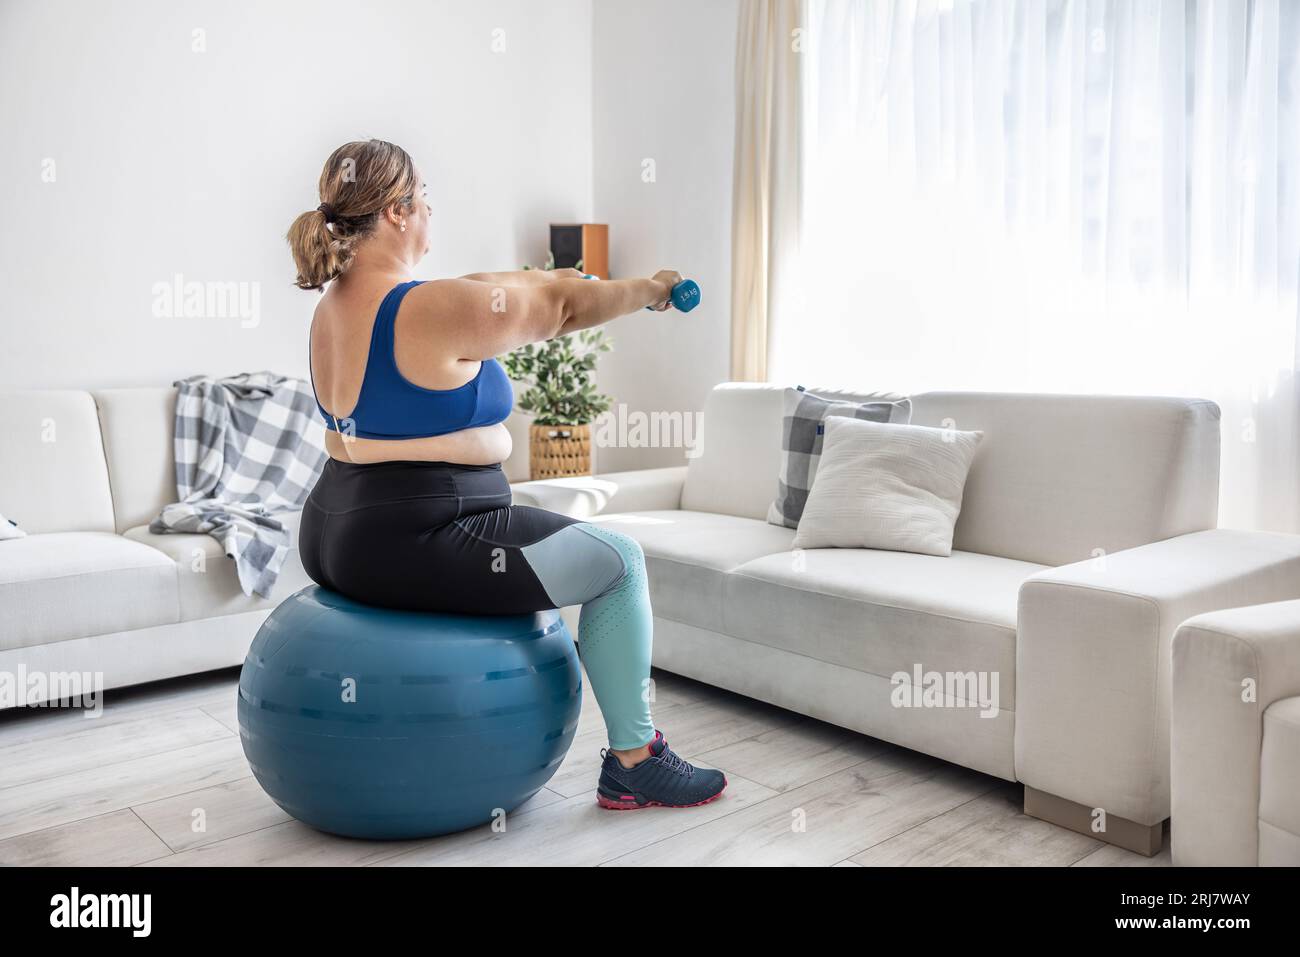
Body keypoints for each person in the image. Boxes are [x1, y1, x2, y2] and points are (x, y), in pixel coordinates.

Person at [287, 139, 726, 810]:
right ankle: (636, 761)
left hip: (333, 530)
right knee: (620, 562)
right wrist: (651, 290)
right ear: (397, 212)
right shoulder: (425, 308)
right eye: (424, 197)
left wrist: (559, 278)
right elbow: (562, 308)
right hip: (421, 534)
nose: (430, 210)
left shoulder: (335, 306)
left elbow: (498, 286)